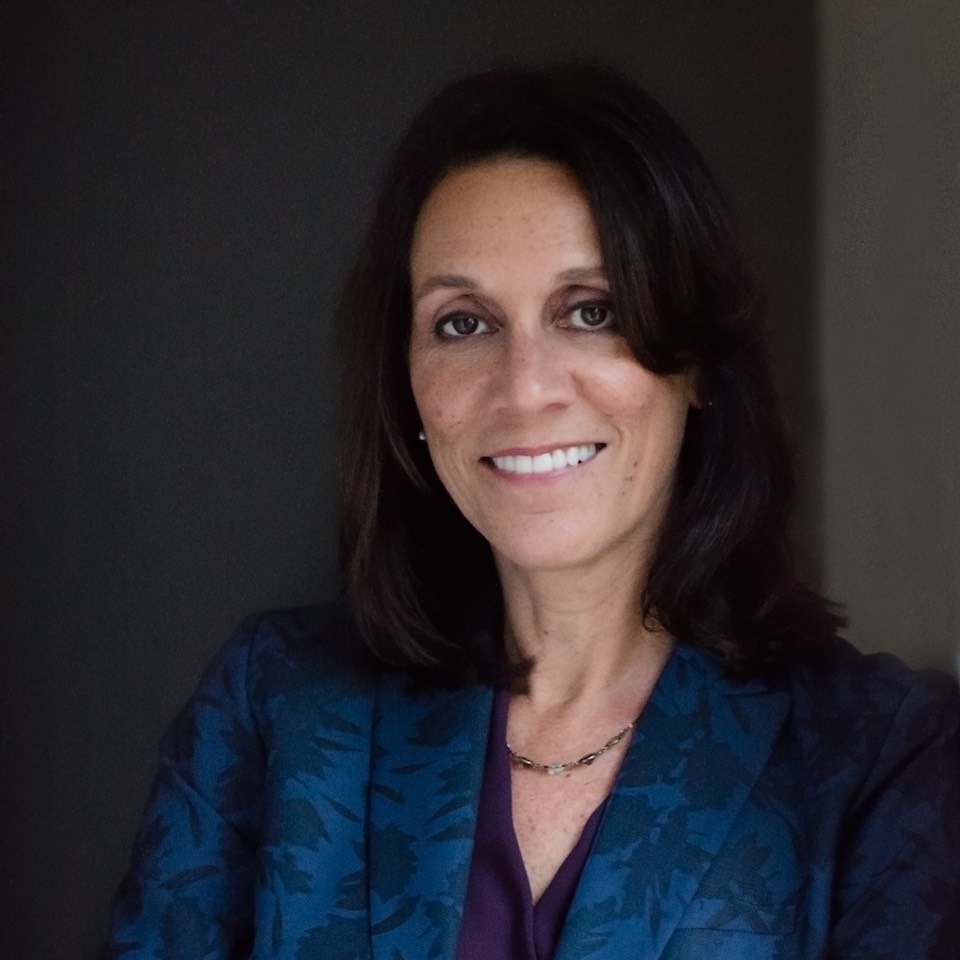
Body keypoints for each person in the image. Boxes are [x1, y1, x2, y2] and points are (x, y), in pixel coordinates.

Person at [101, 63, 960, 960]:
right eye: (463, 323)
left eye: (590, 311)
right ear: (406, 382)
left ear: (697, 361)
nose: (525, 388)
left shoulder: (879, 759)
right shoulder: (274, 705)